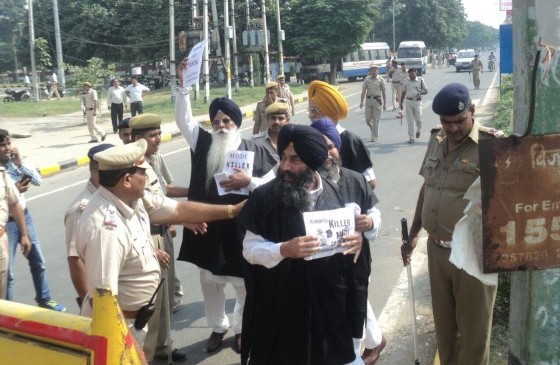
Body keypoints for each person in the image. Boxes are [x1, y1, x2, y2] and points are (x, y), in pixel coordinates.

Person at [76, 139, 247, 346]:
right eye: (142, 171)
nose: (147, 176)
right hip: (120, 330)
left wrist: (232, 211)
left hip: (137, 321)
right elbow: (103, 300)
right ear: (127, 180)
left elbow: (179, 210)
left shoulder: (131, 198)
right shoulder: (105, 228)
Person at [238, 124, 364, 365]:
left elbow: (349, 245)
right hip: (281, 308)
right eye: (283, 158)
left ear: (312, 161)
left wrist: (355, 241)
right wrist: (283, 250)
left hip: (327, 309)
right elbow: (249, 249)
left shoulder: (334, 193)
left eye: (295, 160)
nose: (285, 166)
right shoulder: (264, 197)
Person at [175, 58, 276, 354]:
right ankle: (218, 326)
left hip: (240, 228)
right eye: (216, 121)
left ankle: (242, 329)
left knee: (242, 283)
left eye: (226, 121)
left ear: (236, 124)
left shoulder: (255, 148)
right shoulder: (202, 143)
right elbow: (184, 121)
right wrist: (183, 86)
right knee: (209, 280)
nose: (220, 126)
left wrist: (249, 181)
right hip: (206, 225)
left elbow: (272, 181)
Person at [401, 83, 501, 365]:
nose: (453, 128)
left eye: (459, 121)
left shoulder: (492, 145)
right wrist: (413, 234)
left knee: (473, 333)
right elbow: (427, 188)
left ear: (472, 110)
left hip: (473, 253)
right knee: (445, 330)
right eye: (446, 122)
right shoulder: (437, 139)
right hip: (437, 251)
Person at [306, 81, 384, 359]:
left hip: (353, 262)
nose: (327, 153)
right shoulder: (301, 183)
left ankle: (365, 347)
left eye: (331, 147)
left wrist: (367, 223)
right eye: (320, 148)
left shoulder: (354, 177)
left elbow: (373, 209)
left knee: (354, 314)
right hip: (317, 270)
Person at [129, 114, 188, 362]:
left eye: (158, 133)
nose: (159, 139)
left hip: (164, 233)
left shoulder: (155, 158)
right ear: (138, 139)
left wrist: (197, 191)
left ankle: (164, 347)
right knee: (150, 303)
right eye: (153, 135)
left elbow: (167, 192)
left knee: (164, 299)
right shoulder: (133, 166)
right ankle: (147, 355)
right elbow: (135, 214)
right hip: (149, 238)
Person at [0, 129, 65, 311]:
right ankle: (7, 311)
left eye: (8, 144)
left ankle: (44, 298)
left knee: (38, 261)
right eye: (2, 145)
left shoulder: (14, 165)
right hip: (6, 224)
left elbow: (37, 180)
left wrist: (20, 163)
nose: (7, 148)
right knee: (8, 273)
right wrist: (13, 192)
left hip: (25, 217)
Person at [64, 143, 114, 309]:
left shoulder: (113, 196)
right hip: (102, 298)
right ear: (102, 172)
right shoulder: (81, 209)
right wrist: (91, 306)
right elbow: (75, 259)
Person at [307, 80, 377, 190]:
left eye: (314, 111)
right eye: (310, 110)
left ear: (329, 111)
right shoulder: (309, 139)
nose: (310, 115)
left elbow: (370, 182)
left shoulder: (351, 140)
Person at [400, 68, 428, 143]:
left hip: (417, 102)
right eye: (410, 73)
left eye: (413, 73)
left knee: (418, 120)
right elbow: (403, 92)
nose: (411, 74)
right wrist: (401, 103)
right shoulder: (406, 81)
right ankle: (411, 138)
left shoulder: (420, 80)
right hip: (408, 101)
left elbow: (426, 91)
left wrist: (420, 93)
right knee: (410, 121)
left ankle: (419, 130)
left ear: (416, 73)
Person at [359, 65, 387, 142]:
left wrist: (385, 103)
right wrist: (361, 102)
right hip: (368, 101)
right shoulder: (367, 79)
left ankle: (374, 136)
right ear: (370, 71)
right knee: (368, 120)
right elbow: (364, 91)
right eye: (372, 70)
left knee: (376, 119)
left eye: (375, 70)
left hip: (377, 101)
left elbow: (384, 92)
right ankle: (373, 129)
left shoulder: (381, 80)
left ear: (378, 71)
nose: (374, 72)